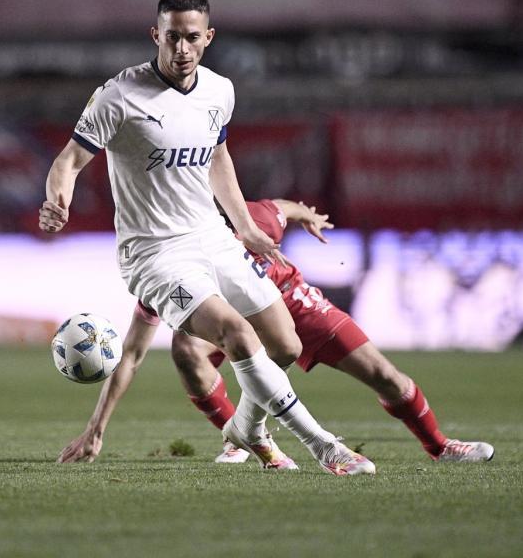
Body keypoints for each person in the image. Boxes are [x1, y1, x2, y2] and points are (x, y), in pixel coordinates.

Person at [40, 0, 374, 475]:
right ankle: (324, 446)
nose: (180, 49)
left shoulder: (220, 92)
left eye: (191, 38)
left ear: (208, 38)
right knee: (237, 333)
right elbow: (69, 160)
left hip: (211, 237)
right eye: (171, 37)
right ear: (155, 35)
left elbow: (218, 160)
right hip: (155, 254)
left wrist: (244, 227)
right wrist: (58, 200)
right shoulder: (119, 96)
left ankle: (244, 428)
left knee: (285, 346)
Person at [58, 198, 495, 465]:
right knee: (185, 349)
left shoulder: (249, 218)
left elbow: (281, 209)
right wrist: (97, 427)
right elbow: (131, 354)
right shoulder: (171, 261)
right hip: (228, 318)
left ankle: (440, 447)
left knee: (387, 378)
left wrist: (307, 216)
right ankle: (244, 438)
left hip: (291, 301)